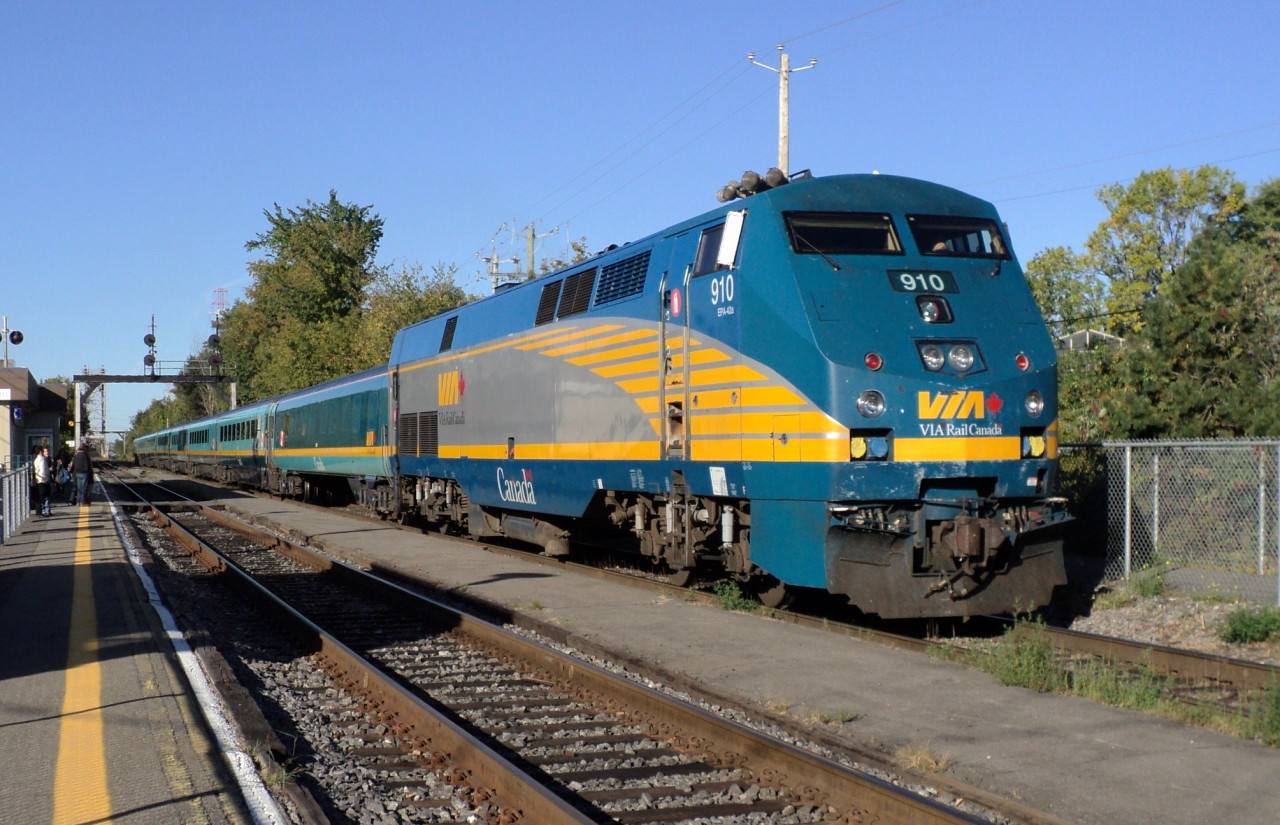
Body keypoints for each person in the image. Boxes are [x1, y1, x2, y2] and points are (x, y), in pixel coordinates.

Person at [72, 443, 93, 507]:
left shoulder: (76, 456)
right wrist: (88, 472)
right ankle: (82, 502)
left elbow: (73, 465)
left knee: (79, 488)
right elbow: (87, 466)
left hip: (77, 473)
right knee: (83, 488)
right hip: (84, 474)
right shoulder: (85, 456)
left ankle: (78, 502)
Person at [34, 446, 52, 516]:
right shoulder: (42, 459)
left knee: (39, 496)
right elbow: (43, 470)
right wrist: (45, 478)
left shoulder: (36, 459)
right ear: (40, 451)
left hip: (38, 479)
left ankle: (39, 511)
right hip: (42, 480)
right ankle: (42, 511)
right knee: (43, 496)